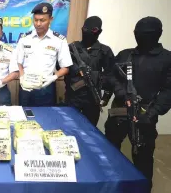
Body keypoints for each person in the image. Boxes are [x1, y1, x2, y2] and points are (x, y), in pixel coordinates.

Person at [106, 16, 171, 192]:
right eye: (139, 34)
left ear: (159, 35)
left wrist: (151, 113)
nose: (142, 37)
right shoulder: (125, 54)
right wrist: (121, 92)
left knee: (143, 159)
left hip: (145, 115)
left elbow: (168, 90)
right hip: (119, 112)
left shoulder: (167, 59)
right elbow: (111, 76)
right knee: (109, 152)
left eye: (147, 34)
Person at [16, 2, 73, 106]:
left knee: (46, 119)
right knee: (23, 118)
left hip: (46, 88)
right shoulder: (24, 38)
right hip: (26, 88)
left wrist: (53, 78)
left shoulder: (59, 40)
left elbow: (65, 67)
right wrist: (21, 77)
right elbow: (19, 62)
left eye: (42, 20)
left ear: (51, 19)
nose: (38, 24)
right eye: (36, 20)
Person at [64, 16, 114, 126]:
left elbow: (111, 75)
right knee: (69, 127)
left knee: (90, 129)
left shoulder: (105, 51)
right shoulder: (72, 48)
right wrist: (76, 69)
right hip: (73, 97)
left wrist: (106, 95)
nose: (87, 33)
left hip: (92, 99)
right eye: (85, 29)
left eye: (93, 30)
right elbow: (61, 65)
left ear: (99, 32)